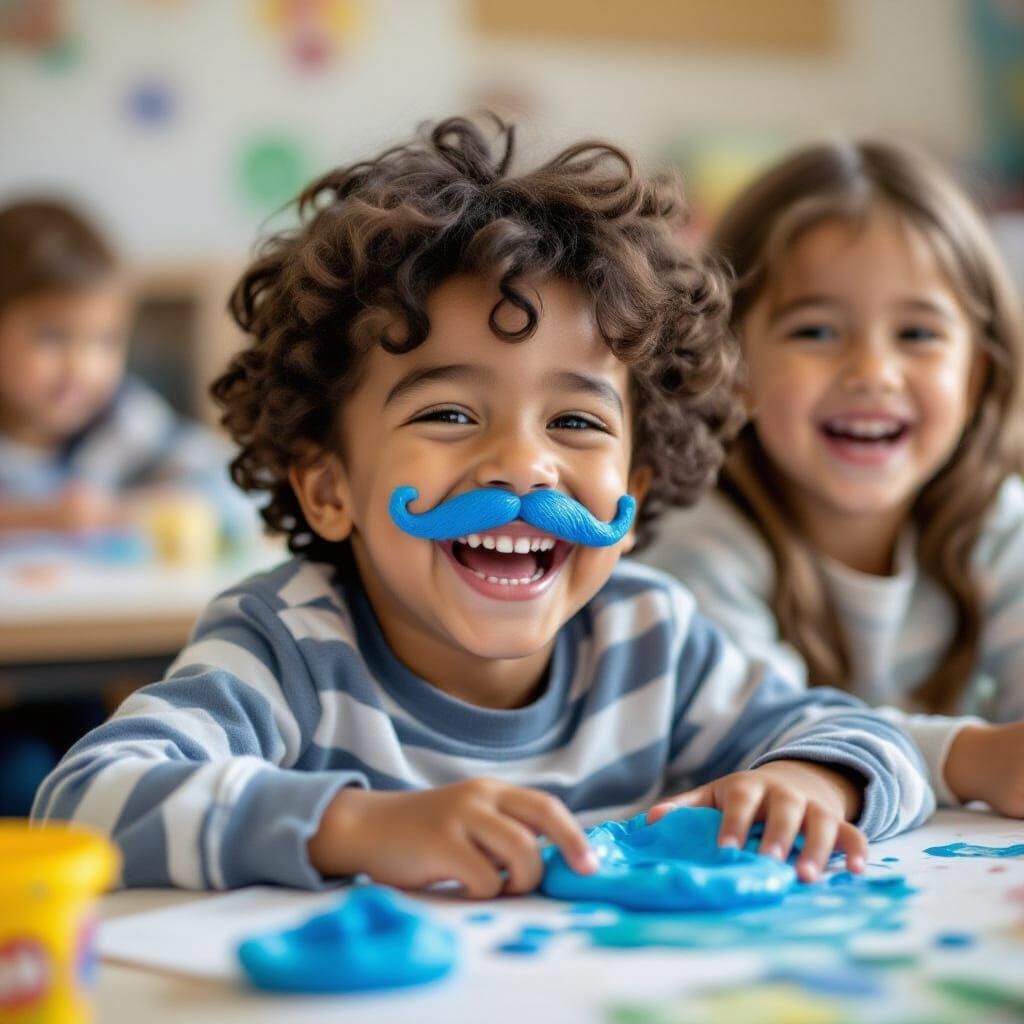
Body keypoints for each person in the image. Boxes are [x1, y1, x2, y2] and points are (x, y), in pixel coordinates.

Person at [33, 118, 934, 894]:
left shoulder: (651, 639)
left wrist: (811, 780)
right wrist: (355, 828)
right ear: (329, 485)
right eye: (451, 413)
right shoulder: (290, 647)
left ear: (637, 484)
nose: (523, 466)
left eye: (577, 420)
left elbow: (867, 738)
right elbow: (85, 803)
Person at [640, 139, 1024, 817]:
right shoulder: (700, 546)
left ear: (978, 373)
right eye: (815, 332)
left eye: (917, 334)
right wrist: (971, 759)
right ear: (731, 369)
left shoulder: (1000, 527)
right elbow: (761, 738)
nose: (872, 371)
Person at [0, 199, 256, 816]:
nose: (81, 366)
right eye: (52, 336)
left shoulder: (116, 419)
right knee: (26, 781)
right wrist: (41, 517)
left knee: (107, 769)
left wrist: (132, 506)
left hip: (78, 675)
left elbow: (231, 485)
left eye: (103, 340)